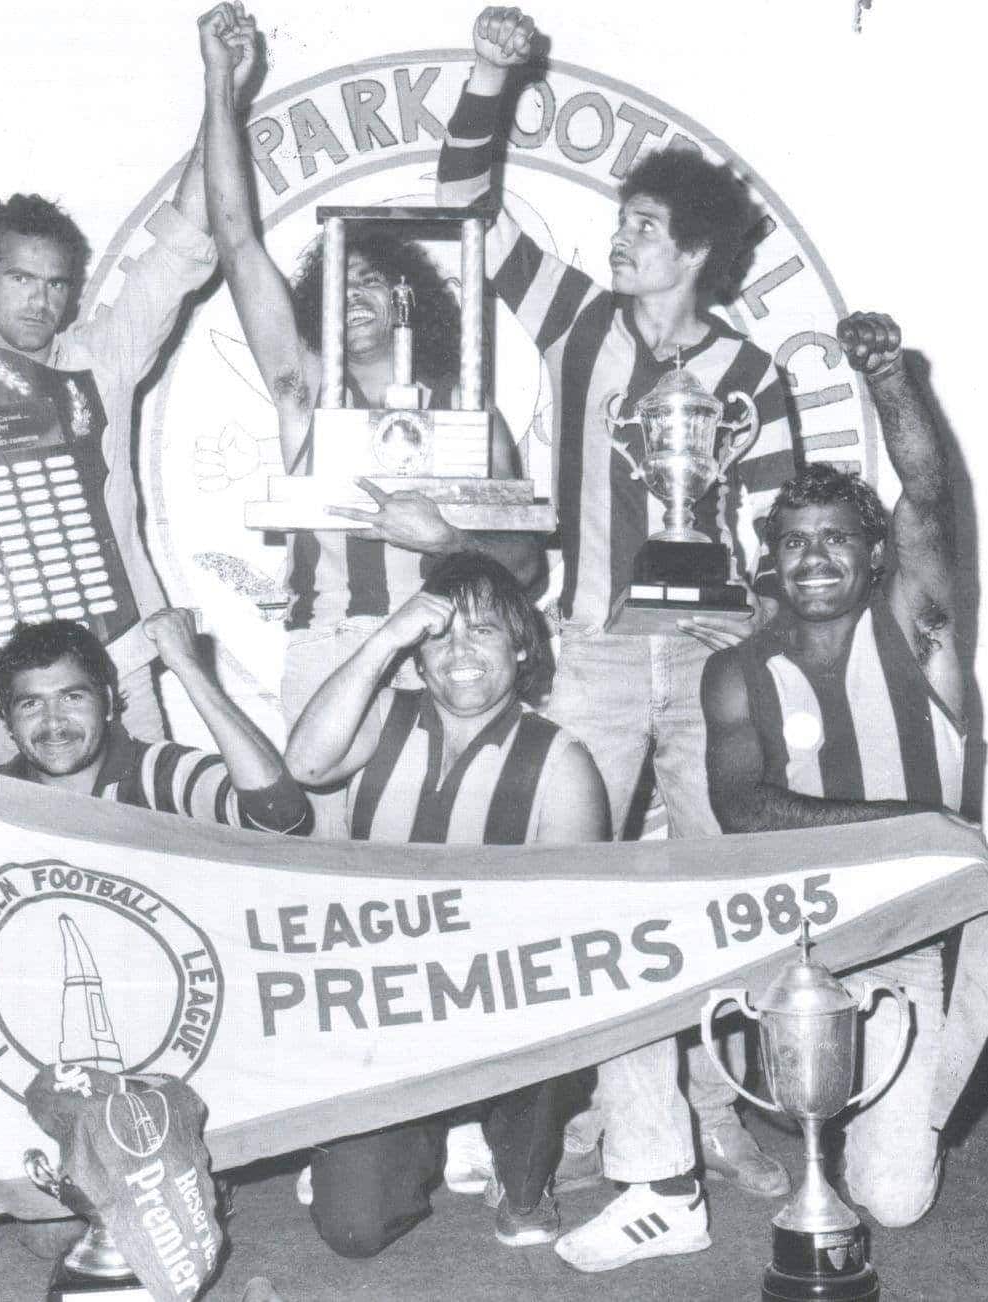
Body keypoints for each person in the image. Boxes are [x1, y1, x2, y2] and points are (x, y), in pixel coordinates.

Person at [438, 5, 794, 1238]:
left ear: (693, 251)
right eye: (621, 223)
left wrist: (750, 661)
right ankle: (586, 1112)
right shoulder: (582, 323)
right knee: (581, 895)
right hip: (587, 651)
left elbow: (770, 545)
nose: (619, 238)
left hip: (705, 661)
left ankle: (717, 1105)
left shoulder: (755, 379)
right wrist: (488, 78)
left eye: (641, 227)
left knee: (718, 895)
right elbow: (468, 216)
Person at [196, 4, 545, 837]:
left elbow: (526, 567)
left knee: (431, 863)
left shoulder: (466, 413)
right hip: (329, 649)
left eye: (368, 288)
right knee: (328, 878)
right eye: (334, 290)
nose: (348, 303)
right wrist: (220, 86)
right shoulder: (306, 395)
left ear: (407, 302)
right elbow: (238, 240)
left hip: (445, 653)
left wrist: (448, 544)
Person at [0, 48, 218, 772]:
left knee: (144, 844)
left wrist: (221, 84)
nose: (40, 300)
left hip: (115, 664)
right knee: (4, 856)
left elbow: (183, 244)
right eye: (20, 278)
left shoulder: (101, 361)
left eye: (57, 284)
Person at [701, 311, 963, 1229]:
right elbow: (740, 809)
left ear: (876, 552)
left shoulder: (913, 627)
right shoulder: (737, 668)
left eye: (838, 538)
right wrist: (913, 827)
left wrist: (890, 380)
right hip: (793, 932)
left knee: (890, 1204)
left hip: (915, 935)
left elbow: (926, 492)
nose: (814, 557)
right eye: (795, 542)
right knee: (641, 959)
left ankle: (907, 1096)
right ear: (770, 560)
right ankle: (678, 1149)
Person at [283, 551, 608, 1255]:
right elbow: (304, 765)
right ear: (415, 655)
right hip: (387, 1015)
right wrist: (380, 639)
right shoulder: (383, 720)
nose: (459, 652)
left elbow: (576, 936)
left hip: (500, 1018)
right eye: (438, 635)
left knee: (558, 1017)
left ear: (521, 647)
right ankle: (422, 1135)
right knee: (352, 1229)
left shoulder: (562, 761)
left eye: (483, 631)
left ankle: (519, 1167)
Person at [0, 613, 310, 835]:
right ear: (7, 719)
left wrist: (186, 664)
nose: (54, 721)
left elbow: (278, 813)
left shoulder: (160, 773)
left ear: (109, 703)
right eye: (31, 704)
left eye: (72, 698)